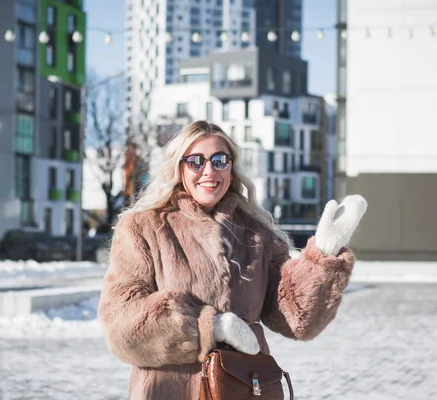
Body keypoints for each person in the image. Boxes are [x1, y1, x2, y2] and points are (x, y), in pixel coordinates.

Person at [98, 120, 367, 400]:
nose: (209, 170)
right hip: (171, 391)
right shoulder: (144, 229)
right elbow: (121, 323)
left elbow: (295, 317)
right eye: (196, 161)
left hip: (244, 388)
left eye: (219, 160)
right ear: (179, 168)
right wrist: (210, 326)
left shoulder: (256, 233)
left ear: (232, 167)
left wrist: (324, 252)